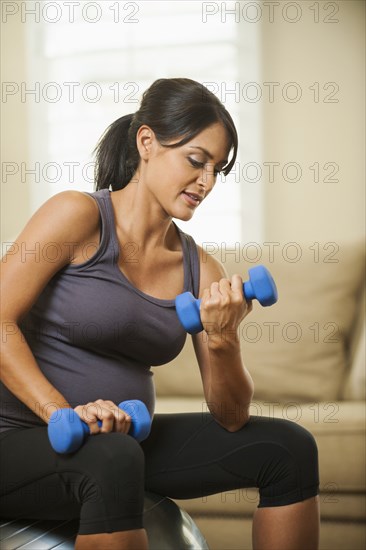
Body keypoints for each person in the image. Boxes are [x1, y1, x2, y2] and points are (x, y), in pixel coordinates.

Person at [0, 77, 320, 550]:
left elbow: (231, 417)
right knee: (112, 458)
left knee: (287, 448)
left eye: (217, 170)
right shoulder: (77, 215)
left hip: (120, 441)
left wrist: (224, 337)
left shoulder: (199, 267)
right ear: (146, 142)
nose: (207, 182)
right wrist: (62, 413)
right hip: (20, 437)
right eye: (196, 161)